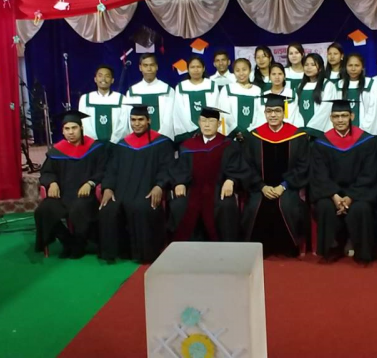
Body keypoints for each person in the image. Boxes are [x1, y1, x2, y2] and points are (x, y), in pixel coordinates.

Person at [99, 105, 175, 263]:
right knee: (109, 208)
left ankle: (145, 254)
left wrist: (159, 186)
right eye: (133, 120)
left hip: (147, 190)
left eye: (141, 119)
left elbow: (167, 168)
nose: (137, 123)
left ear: (149, 121)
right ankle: (116, 253)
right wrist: (108, 188)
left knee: (142, 207)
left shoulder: (162, 143)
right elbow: (111, 170)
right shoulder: (122, 145)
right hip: (122, 192)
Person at [310, 100, 377, 263]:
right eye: (336, 116)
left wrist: (350, 197)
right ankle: (332, 248)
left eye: (344, 115)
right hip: (331, 193)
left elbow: (369, 173)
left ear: (351, 116)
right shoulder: (321, 142)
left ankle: (361, 250)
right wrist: (334, 196)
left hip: (358, 192)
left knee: (361, 208)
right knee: (325, 206)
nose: (340, 120)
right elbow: (320, 174)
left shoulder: (366, 141)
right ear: (331, 118)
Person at [242, 94, 309, 257]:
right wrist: (262, 186)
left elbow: (303, 166)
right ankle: (259, 249)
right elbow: (247, 166)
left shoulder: (298, 136)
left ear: (284, 113)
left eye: (277, 111)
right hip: (260, 187)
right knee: (255, 206)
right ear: (264, 113)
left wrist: (283, 186)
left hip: (288, 187)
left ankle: (287, 249)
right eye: (269, 111)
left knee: (287, 206)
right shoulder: (254, 137)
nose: (273, 115)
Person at [168, 107, 250, 242]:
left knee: (226, 206)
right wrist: (179, 182)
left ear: (219, 124)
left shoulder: (228, 145)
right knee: (179, 205)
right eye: (203, 121)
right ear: (199, 123)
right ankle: (187, 248)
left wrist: (231, 180)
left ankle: (225, 247)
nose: (207, 125)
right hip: (193, 189)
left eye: (211, 121)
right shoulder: (187, 146)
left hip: (219, 189)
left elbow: (238, 167)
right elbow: (180, 169)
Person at [34, 110, 106, 258]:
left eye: (74, 128)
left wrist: (90, 183)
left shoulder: (95, 148)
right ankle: (67, 240)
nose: (71, 132)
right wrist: (52, 183)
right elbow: (46, 172)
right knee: (43, 211)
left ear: (81, 128)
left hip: (86, 196)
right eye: (67, 129)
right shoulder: (57, 151)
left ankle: (80, 242)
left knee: (79, 209)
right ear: (63, 131)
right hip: (62, 195)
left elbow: (103, 170)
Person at [126, 53, 175, 141]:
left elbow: (169, 119)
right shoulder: (132, 91)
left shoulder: (167, 90)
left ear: (156, 67)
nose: (149, 69)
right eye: (145, 65)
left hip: (163, 140)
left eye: (152, 65)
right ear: (140, 67)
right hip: (139, 141)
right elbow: (130, 119)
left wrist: (160, 139)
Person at [337, 52, 377, 135]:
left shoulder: (370, 84)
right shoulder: (339, 85)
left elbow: (374, 110)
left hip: (366, 130)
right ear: (345, 67)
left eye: (357, 65)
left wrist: (363, 129)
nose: (353, 69)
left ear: (362, 68)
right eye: (350, 65)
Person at [173, 56, 220, 142]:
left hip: (209, 132)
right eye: (192, 67)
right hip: (186, 133)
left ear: (203, 68)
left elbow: (214, 107)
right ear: (188, 69)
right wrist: (193, 129)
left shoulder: (212, 85)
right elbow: (179, 111)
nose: (196, 70)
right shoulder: (181, 86)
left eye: (198, 67)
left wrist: (204, 128)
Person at [78, 64, 129, 144]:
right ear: (95, 79)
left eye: (107, 76)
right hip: (92, 146)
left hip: (116, 145)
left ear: (112, 80)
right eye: (100, 76)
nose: (103, 79)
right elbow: (85, 123)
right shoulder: (85, 99)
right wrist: (94, 142)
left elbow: (124, 124)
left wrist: (113, 141)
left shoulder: (122, 99)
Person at [216, 58, 262, 140]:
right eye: (237, 70)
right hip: (231, 135)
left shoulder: (257, 90)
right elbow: (224, 113)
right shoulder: (227, 89)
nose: (241, 73)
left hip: (253, 135)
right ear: (233, 72)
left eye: (244, 69)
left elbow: (260, 114)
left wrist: (249, 131)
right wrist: (237, 130)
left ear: (250, 70)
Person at [251, 63, 304, 129]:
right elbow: (259, 119)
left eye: (280, 74)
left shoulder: (291, 94)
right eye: (273, 74)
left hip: (287, 131)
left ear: (284, 76)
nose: (277, 77)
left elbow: (294, 117)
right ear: (269, 77)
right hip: (267, 132)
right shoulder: (262, 97)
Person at [296, 53, 336, 137]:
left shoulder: (327, 85)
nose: (309, 67)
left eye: (313, 65)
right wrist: (300, 126)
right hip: (301, 130)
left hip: (320, 130)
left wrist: (311, 128)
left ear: (320, 68)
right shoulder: (300, 86)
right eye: (306, 65)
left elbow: (325, 109)